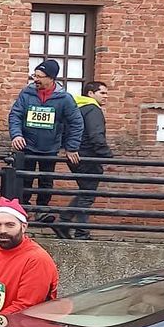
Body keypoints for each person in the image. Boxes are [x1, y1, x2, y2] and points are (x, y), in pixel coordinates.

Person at [7, 59, 83, 222]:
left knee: (46, 180)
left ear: (51, 78)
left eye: (40, 76)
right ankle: (22, 210)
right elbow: (15, 115)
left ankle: (42, 210)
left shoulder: (65, 99)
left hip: (50, 147)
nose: (35, 79)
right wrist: (16, 135)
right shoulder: (26, 93)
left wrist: (71, 147)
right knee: (24, 179)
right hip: (26, 146)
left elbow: (76, 122)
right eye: (34, 75)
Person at [0, 199, 58, 318]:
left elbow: (25, 306)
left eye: (10, 225)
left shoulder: (37, 259)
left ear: (24, 227)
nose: (2, 230)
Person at [58, 81, 111, 240]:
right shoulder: (93, 109)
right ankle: (81, 231)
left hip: (75, 155)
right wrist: (107, 154)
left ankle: (64, 221)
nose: (106, 96)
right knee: (87, 195)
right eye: (102, 93)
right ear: (90, 93)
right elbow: (96, 136)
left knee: (85, 192)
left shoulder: (76, 108)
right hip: (88, 156)